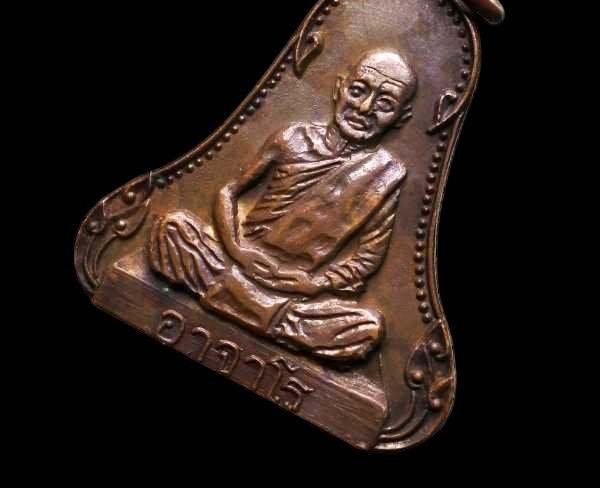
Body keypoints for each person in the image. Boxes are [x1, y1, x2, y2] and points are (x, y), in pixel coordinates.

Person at [148, 49, 418, 362]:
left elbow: (366, 259)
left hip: (293, 290)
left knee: (367, 328)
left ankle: (239, 302)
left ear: (401, 118)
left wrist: (313, 284)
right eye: (358, 91)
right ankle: (268, 320)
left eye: (384, 104)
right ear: (339, 88)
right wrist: (237, 249)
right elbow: (229, 192)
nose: (365, 108)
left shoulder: (386, 176)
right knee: (173, 228)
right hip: (235, 263)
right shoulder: (292, 137)